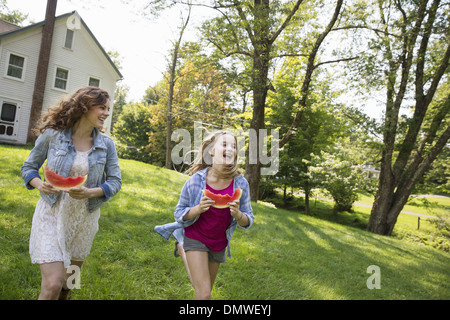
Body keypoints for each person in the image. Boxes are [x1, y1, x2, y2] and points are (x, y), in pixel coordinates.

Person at [21, 86, 122, 300]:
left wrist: (91, 192)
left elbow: (115, 181)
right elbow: (28, 168)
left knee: (69, 284)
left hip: (84, 220)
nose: (106, 113)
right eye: (101, 107)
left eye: (108, 108)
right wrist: (39, 183)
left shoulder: (107, 145)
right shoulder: (52, 136)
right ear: (84, 107)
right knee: (53, 284)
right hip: (52, 213)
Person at [155, 130, 254, 300]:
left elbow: (248, 220)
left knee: (201, 288)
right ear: (211, 150)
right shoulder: (195, 181)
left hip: (218, 243)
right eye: (224, 144)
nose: (230, 149)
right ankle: (185, 246)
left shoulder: (240, 183)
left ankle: (182, 249)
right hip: (195, 236)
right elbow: (179, 213)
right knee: (205, 295)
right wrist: (197, 209)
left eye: (234, 146)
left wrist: (238, 215)